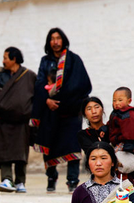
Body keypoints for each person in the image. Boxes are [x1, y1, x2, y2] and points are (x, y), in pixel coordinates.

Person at [31, 27, 92, 193]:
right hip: (50, 112)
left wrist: (65, 98)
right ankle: (51, 177)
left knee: (73, 146)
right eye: (52, 38)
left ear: (63, 40)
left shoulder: (74, 60)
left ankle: (72, 180)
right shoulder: (45, 61)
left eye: (58, 38)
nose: (55, 41)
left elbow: (82, 84)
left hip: (71, 111)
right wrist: (47, 100)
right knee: (48, 144)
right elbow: (40, 84)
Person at [0, 47, 37, 193]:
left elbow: (37, 97)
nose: (3, 61)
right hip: (3, 121)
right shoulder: (2, 76)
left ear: (14, 59)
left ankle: (20, 182)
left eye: (5, 57)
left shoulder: (29, 76)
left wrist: (29, 112)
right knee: (4, 150)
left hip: (21, 121)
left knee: (20, 152)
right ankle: (7, 180)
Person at [107, 87, 134, 180]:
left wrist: (129, 145)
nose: (116, 103)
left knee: (115, 158)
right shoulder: (117, 113)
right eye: (114, 100)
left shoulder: (128, 115)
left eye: (120, 100)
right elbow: (111, 125)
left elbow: (130, 131)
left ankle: (123, 176)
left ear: (129, 101)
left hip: (127, 142)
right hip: (119, 141)